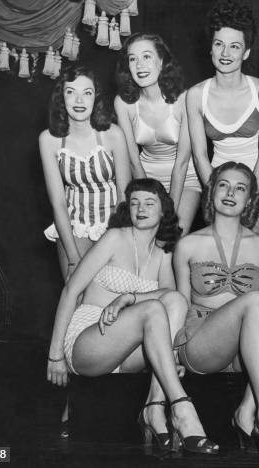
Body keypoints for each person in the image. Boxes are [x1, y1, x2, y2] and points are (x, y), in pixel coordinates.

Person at [46, 178, 218, 455]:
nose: (141, 208)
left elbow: (174, 301)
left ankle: (154, 406)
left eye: (150, 203)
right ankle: (182, 408)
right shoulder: (115, 238)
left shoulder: (162, 254)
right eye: (135, 202)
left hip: (127, 352)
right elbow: (70, 291)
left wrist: (129, 298)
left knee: (173, 300)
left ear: (164, 211)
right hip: (89, 340)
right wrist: (55, 355)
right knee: (153, 309)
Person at [173, 162, 259, 461]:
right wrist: (171, 353)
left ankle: (246, 410)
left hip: (247, 350)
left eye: (240, 188)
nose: (230, 192)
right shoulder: (188, 245)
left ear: (249, 200)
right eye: (223, 185)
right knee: (256, 301)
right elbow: (180, 304)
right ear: (211, 192)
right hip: (202, 344)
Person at [187, 0, 259, 233]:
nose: (225, 53)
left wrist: (250, 193)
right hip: (216, 178)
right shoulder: (196, 95)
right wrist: (217, 189)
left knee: (250, 243)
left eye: (235, 46)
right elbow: (199, 155)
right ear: (211, 48)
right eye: (219, 44)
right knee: (223, 247)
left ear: (246, 52)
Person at [40, 64, 130, 281]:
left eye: (86, 93)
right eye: (71, 92)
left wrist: (112, 240)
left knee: (110, 294)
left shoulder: (113, 134)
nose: (79, 101)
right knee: (76, 294)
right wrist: (73, 258)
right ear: (62, 98)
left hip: (113, 224)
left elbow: (124, 196)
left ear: (95, 98)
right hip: (74, 227)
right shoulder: (49, 140)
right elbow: (58, 204)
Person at [115, 33, 200, 235]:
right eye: (132, 59)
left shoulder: (184, 99)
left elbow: (182, 162)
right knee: (144, 237)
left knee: (173, 234)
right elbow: (133, 160)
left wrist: (168, 210)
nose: (139, 65)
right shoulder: (123, 103)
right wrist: (148, 196)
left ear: (161, 61)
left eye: (147, 56)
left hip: (185, 176)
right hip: (145, 174)